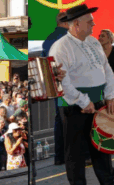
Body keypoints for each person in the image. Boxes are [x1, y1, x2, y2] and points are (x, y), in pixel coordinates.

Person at [49, 4, 114, 185]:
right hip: (74, 106)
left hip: (97, 101)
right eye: (90, 22)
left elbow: (106, 69)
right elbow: (63, 82)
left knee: (102, 146)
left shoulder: (93, 42)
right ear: (77, 24)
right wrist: (83, 101)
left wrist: (110, 95)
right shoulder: (61, 47)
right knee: (75, 153)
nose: (94, 25)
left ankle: (108, 182)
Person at [42, 12, 69, 167]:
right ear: (67, 22)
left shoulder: (48, 40)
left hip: (54, 85)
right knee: (72, 120)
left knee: (59, 119)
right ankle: (75, 156)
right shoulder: (69, 38)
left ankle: (59, 156)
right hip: (69, 83)